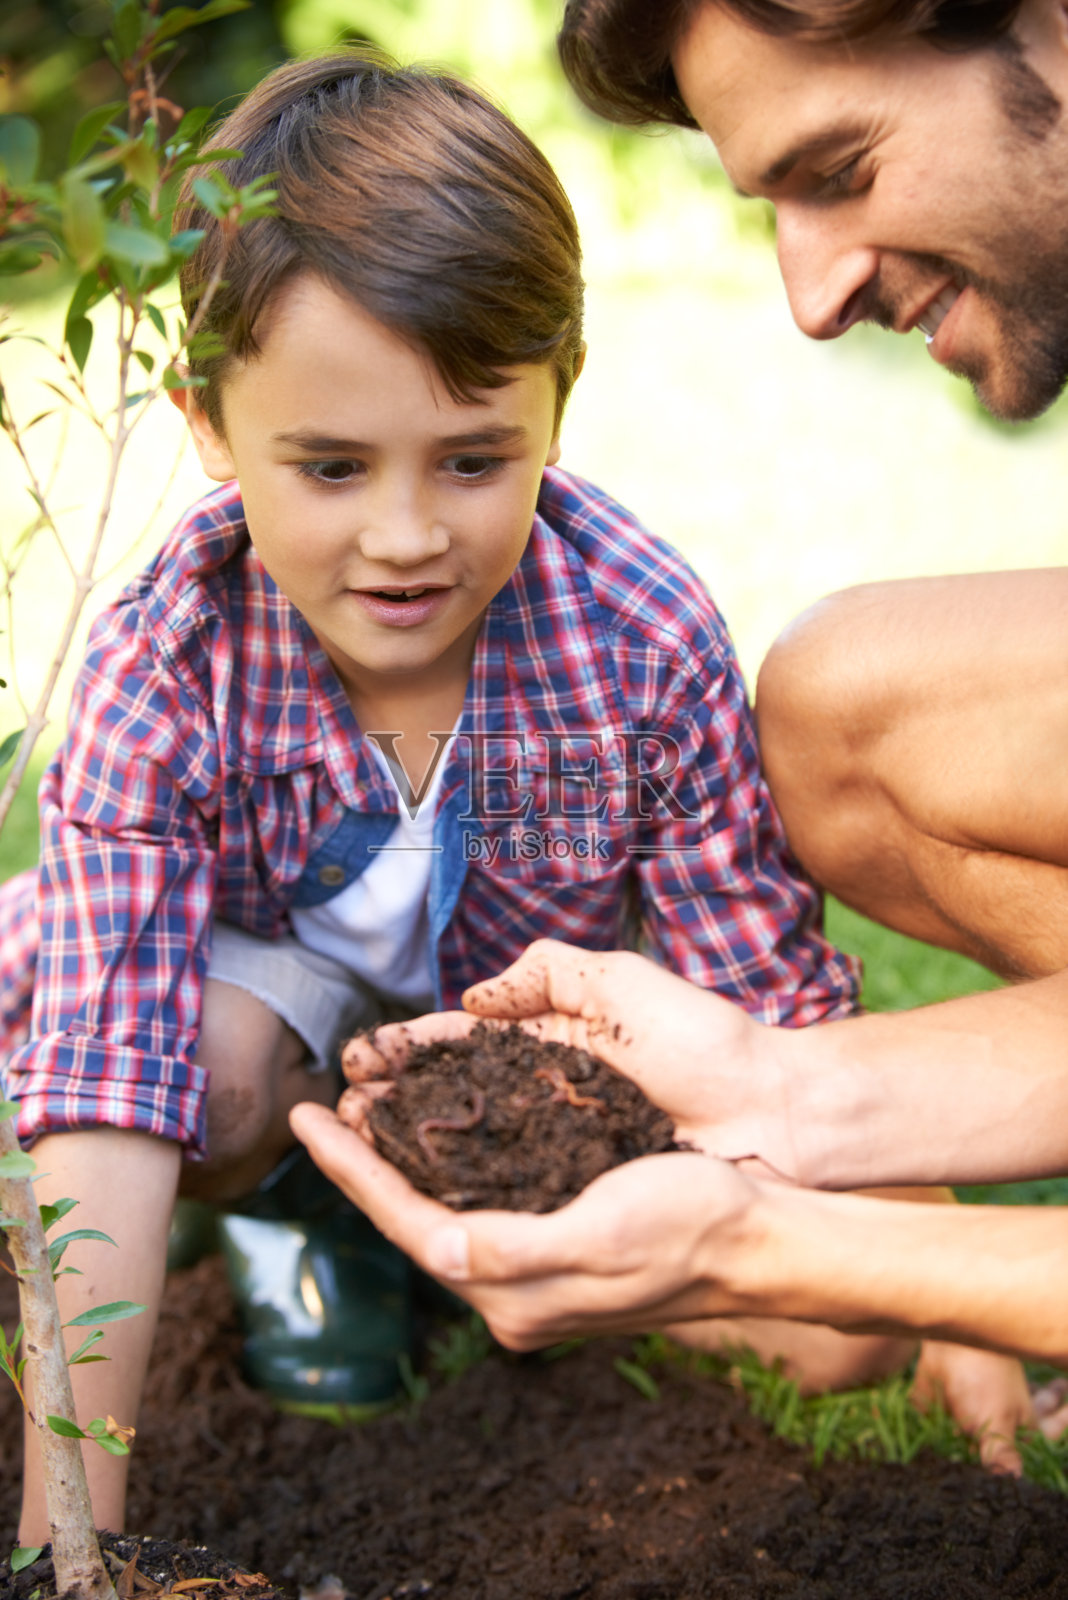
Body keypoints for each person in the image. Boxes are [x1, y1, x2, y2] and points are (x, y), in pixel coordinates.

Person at [0, 44, 906, 1543]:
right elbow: (108, 1075)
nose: (408, 536)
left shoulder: (636, 635)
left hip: (509, 1059)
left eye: (474, 460)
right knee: (204, 1084)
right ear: (210, 423)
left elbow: (764, 1001)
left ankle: (463, 1242)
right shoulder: (166, 656)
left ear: (559, 406)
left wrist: (921, 1288)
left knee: (842, 1336)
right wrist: (66, 1543)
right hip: (251, 1020)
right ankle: (299, 1224)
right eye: (332, 468)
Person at [291, 0, 1068, 1466]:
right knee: (846, 702)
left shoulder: (625, 629)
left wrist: (801, 1250)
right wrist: (783, 1096)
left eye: (842, 168)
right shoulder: (193, 642)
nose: (810, 297)